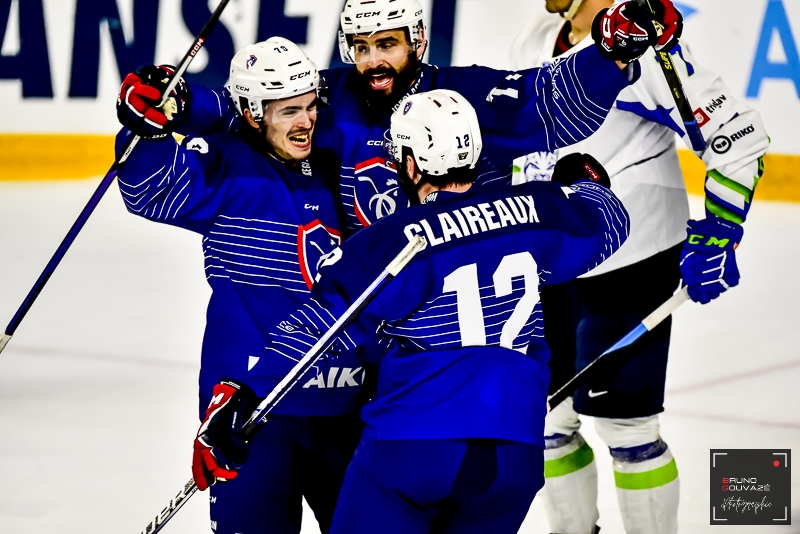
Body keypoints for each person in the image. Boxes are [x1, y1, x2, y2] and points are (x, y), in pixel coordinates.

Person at [191, 88, 631, 534]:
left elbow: (319, 329)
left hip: (413, 447)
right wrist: (587, 187)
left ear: (412, 164)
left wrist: (244, 395)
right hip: (513, 456)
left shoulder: (390, 241)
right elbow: (610, 223)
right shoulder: (541, 209)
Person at [508, 1, 769, 533]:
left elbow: (737, 137)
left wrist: (719, 232)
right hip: (551, 264)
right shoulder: (536, 36)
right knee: (547, 420)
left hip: (632, 259)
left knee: (626, 429)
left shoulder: (644, 48)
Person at [129, 0, 679, 237]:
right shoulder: (332, 91)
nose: (373, 62)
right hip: (363, 307)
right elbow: (254, 107)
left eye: (387, 45)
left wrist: (610, 50)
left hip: (446, 297)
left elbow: (547, 99)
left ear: (416, 40)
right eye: (361, 47)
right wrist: (178, 104)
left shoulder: (463, 93)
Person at [115, 38, 365, 534]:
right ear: (251, 113)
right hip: (250, 410)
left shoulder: (342, 167)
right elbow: (147, 191)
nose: (306, 121)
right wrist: (144, 129)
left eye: (311, 105)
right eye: (288, 110)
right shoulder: (229, 165)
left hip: (348, 406)